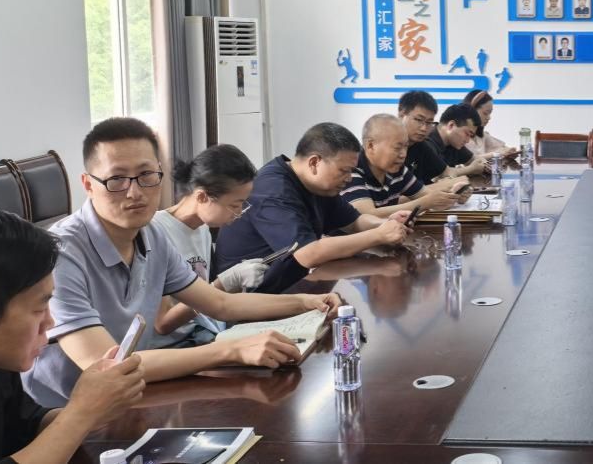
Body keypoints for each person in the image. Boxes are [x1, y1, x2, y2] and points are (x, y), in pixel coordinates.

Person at [22, 118, 344, 408]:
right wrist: (231, 350)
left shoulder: (152, 235)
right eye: (117, 179)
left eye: (147, 175)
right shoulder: (61, 252)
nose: (135, 192)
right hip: (62, 411)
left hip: (130, 398)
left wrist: (305, 302)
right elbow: (106, 365)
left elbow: (219, 303)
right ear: (88, 184)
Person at [0, 207, 146, 464]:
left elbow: (28, 426)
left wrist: (97, 405)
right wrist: (81, 413)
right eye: (38, 309)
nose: (50, 322)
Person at [213, 121, 411, 293]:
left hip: (290, 282)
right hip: (248, 295)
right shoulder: (273, 190)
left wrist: (386, 224)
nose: (349, 178)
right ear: (314, 162)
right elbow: (308, 254)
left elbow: (354, 221)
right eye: (344, 170)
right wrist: (378, 235)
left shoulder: (320, 186)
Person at [151, 144, 262, 345]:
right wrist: (223, 284)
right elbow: (163, 323)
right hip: (171, 347)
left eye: (242, 204)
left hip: (200, 334)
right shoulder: (156, 232)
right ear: (202, 196)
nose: (239, 213)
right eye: (234, 205)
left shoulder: (202, 230)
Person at [342, 114, 467, 218]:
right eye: (397, 148)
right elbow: (367, 215)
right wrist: (423, 203)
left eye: (405, 147)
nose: (403, 154)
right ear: (371, 146)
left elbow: (427, 196)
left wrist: (453, 195)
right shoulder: (351, 171)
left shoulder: (397, 169)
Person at [398, 90, 485, 184]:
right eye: (419, 120)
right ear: (401, 115)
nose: (424, 128)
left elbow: (446, 173)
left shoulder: (421, 145)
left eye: (429, 122)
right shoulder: (389, 145)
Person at [425, 104, 484, 172]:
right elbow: (441, 174)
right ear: (451, 125)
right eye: (467, 134)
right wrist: (471, 169)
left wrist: (485, 165)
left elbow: (474, 160)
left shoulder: (453, 143)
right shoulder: (426, 141)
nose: (467, 140)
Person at [461, 89, 516, 157]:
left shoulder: (482, 135)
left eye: (490, 113)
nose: (489, 118)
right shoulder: (458, 136)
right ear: (471, 110)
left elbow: (501, 148)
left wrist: (509, 151)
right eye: (485, 113)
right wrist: (495, 154)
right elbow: (468, 160)